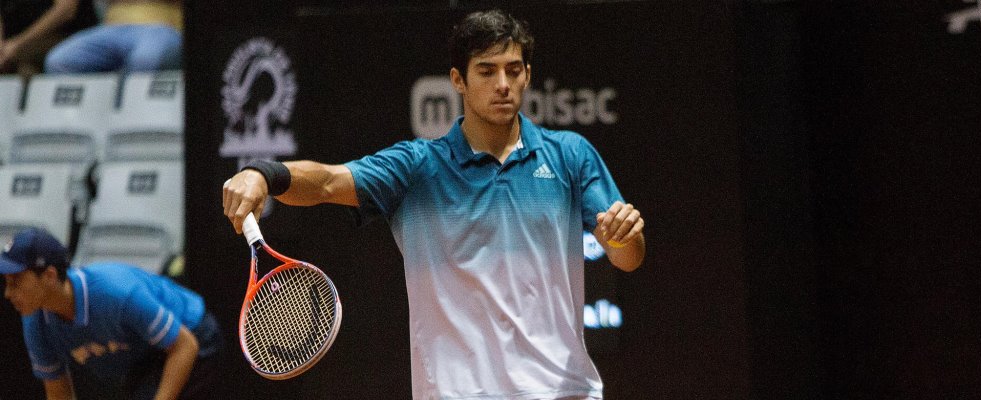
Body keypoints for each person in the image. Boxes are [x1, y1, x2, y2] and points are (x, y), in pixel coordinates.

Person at [223, 9, 645, 399]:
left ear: (527, 75)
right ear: (458, 80)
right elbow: (328, 182)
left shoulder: (570, 154)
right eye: (487, 71)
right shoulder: (418, 167)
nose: (503, 84)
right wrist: (265, 173)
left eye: (513, 70)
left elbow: (628, 257)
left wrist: (622, 238)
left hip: (562, 392)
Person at [1, 227, 223, 400]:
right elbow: (59, 393)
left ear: (49, 276)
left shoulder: (115, 294)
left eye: (16, 282)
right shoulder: (35, 320)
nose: (8, 293)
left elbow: (185, 346)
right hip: (144, 357)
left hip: (193, 337)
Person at [43, 0, 182, 73]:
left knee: (146, 58)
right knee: (60, 61)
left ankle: (132, 111)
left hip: (160, 26)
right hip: (111, 27)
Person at [0, 0, 97, 76]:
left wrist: (17, 44)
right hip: (16, 42)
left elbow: (66, 10)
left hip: (69, 36)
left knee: (23, 62)